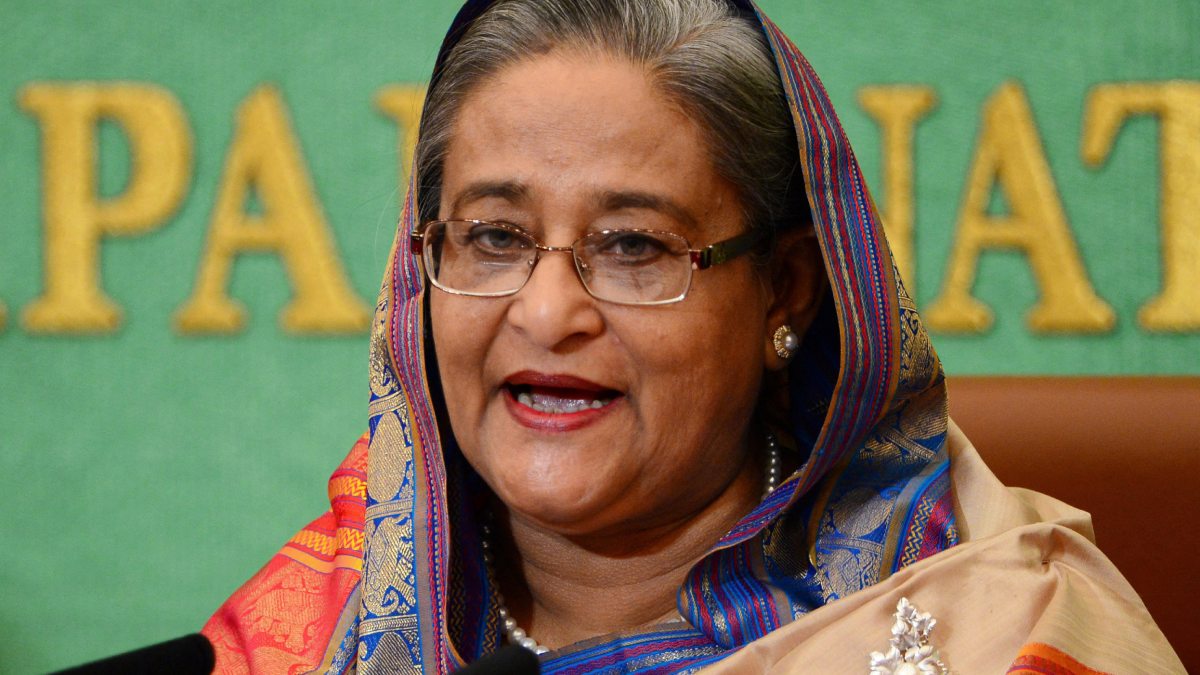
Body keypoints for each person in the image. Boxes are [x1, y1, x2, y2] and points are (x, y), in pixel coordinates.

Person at [202, 1, 1183, 672]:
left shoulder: (1003, 631)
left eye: (634, 246)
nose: (547, 312)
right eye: (494, 237)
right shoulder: (322, 623)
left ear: (785, 290)